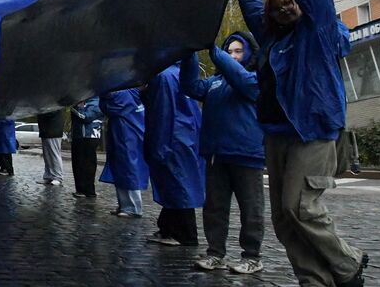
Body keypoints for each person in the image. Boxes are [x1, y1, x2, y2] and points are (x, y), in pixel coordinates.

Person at [236, 0, 367, 287]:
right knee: (283, 217)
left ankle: (348, 263)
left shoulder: (318, 29)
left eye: (290, 1)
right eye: (277, 7)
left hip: (313, 129)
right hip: (277, 133)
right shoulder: (272, 38)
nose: (286, 8)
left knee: (300, 206)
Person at [180, 34, 265, 273]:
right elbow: (190, 86)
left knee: (251, 209)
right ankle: (215, 253)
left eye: (239, 51)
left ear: (249, 54)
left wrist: (214, 50)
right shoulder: (215, 83)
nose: (233, 56)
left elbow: (241, 79)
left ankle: (252, 256)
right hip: (217, 154)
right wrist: (190, 54)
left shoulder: (255, 79)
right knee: (215, 208)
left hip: (247, 154)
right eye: (230, 51)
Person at [142, 63, 204, 246]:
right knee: (178, 184)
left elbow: (164, 111)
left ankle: (183, 233)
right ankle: (170, 228)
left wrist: (159, 145)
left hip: (173, 137)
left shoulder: (164, 77)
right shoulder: (179, 73)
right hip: (184, 135)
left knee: (178, 185)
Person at [99, 89, 149, 217]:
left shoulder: (124, 94)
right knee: (122, 170)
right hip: (125, 134)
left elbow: (109, 107)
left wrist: (104, 97)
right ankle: (125, 205)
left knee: (129, 170)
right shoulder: (132, 92)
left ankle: (133, 208)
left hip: (127, 135)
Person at [69, 97, 102, 199]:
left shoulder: (96, 102)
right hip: (78, 136)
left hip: (90, 137)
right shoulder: (82, 102)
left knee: (88, 164)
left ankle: (89, 190)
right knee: (77, 164)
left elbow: (85, 117)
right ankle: (80, 190)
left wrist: (76, 107)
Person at [37, 110, 66, 186]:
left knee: (54, 154)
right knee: (47, 156)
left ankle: (58, 177)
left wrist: (38, 110)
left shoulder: (55, 103)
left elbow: (50, 112)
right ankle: (48, 176)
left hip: (53, 130)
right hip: (46, 130)